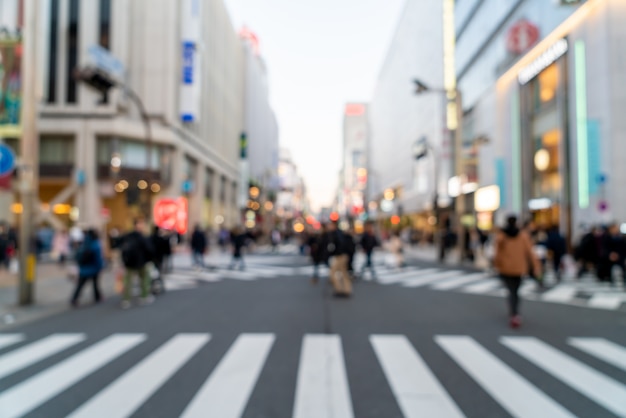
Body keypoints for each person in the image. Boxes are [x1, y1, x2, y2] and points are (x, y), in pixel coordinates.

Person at [494, 215, 541, 329]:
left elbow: (497, 253)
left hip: (505, 268)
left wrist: (497, 265)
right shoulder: (523, 236)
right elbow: (530, 252)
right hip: (519, 268)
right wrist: (536, 267)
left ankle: (513, 312)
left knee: (510, 291)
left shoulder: (502, 236)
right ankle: (515, 313)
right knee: (516, 291)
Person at [120, 219, 154, 309]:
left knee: (128, 281)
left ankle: (126, 299)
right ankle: (143, 296)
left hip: (129, 262)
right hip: (140, 262)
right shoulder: (142, 237)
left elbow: (122, 248)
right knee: (144, 280)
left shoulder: (128, 236)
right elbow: (149, 249)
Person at [70, 229, 104, 307]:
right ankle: (97, 297)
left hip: (83, 269)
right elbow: (98, 258)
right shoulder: (95, 244)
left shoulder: (84, 243)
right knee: (95, 284)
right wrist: (100, 266)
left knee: (80, 285)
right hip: (93, 268)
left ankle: (74, 299)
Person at [326, 221, 352, 297]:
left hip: (340, 256)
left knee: (333, 273)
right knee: (344, 273)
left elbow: (336, 245)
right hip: (343, 255)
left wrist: (333, 252)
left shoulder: (335, 234)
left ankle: (339, 289)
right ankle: (346, 290)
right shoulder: (339, 233)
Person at [150, 225, 171, 293]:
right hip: (159, 258)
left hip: (152, 258)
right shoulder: (161, 239)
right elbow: (166, 249)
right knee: (159, 272)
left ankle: (153, 286)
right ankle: (160, 286)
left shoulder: (150, 238)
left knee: (152, 273)